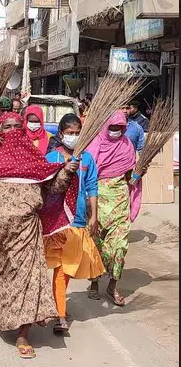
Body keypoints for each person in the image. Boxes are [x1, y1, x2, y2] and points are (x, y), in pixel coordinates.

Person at [0, 112, 78, 359]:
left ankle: (23, 334)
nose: (12, 130)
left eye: (17, 126)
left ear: (23, 130)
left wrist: (67, 171)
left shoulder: (34, 158)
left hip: (26, 230)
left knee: (28, 278)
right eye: (7, 126)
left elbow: (53, 188)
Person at [44, 114, 105, 333]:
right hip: (56, 222)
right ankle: (60, 315)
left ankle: (57, 307)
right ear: (61, 134)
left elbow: (92, 187)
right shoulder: (51, 158)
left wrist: (94, 216)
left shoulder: (87, 159)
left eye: (77, 132)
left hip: (78, 221)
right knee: (60, 270)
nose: (74, 136)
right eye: (70, 133)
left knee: (67, 270)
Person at [87, 111, 140, 307]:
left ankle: (112, 285)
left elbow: (131, 173)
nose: (116, 131)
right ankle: (94, 281)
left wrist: (135, 177)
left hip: (120, 200)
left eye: (120, 128)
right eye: (112, 128)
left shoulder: (127, 146)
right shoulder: (95, 144)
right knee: (96, 243)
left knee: (119, 246)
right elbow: (87, 174)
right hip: (97, 200)